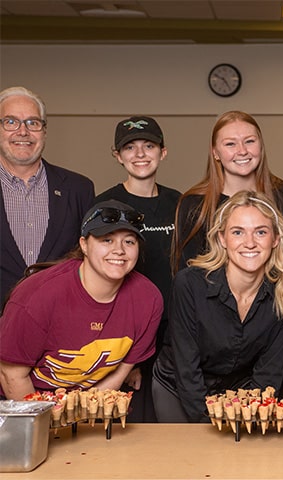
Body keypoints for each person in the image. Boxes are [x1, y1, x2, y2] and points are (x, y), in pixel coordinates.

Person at [153, 190, 283, 422]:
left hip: (240, 391)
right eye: (238, 232)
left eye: (261, 232)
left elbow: (269, 373)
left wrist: (249, 416)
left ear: (275, 239)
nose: (250, 243)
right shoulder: (190, 284)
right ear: (222, 238)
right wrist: (210, 423)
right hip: (179, 388)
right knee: (188, 456)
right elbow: (187, 370)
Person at [0, 200, 162, 399]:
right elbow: (11, 375)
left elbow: (121, 371)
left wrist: (80, 418)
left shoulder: (148, 299)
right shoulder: (37, 296)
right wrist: (48, 427)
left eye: (129, 241)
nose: (119, 250)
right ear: (84, 245)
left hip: (88, 405)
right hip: (24, 404)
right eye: (107, 240)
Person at [94, 116, 182, 422]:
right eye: (130, 147)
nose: (140, 154)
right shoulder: (105, 205)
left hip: (176, 335)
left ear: (163, 152)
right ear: (117, 155)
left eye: (149, 145)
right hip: (127, 338)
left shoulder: (181, 204)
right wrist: (125, 363)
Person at [0, 86, 94, 310]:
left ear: (44, 131)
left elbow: (91, 261)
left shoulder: (79, 188)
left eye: (33, 123)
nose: (23, 132)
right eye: (11, 122)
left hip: (62, 323)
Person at [172, 111, 283, 272]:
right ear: (215, 152)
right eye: (231, 144)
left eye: (249, 141)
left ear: (261, 146)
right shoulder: (195, 204)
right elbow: (187, 274)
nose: (242, 151)